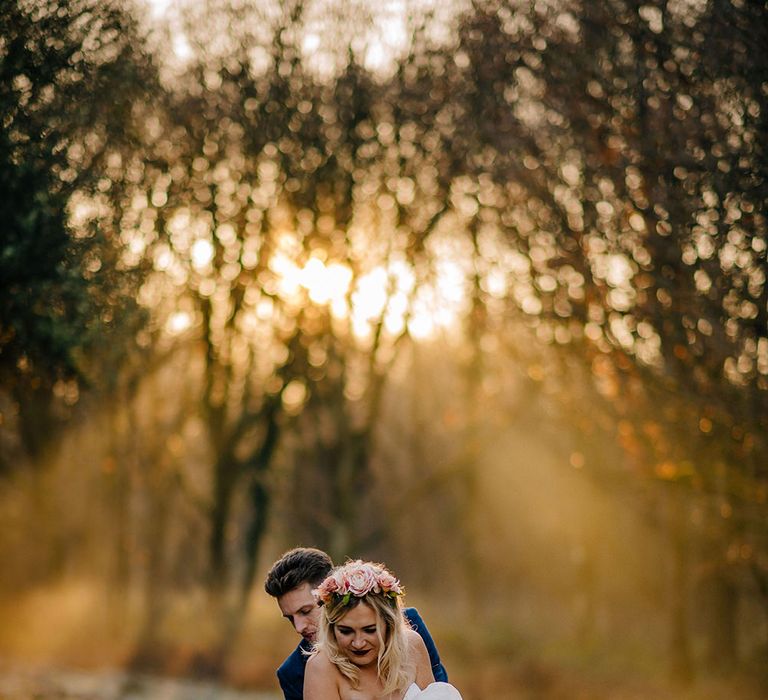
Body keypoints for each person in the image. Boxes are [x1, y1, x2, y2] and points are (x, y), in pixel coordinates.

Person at [264, 548, 448, 700]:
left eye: (305, 611)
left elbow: (438, 689)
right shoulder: (297, 672)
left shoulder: (410, 632)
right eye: (290, 618)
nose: (299, 627)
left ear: (327, 600)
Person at [304, 560, 462, 700]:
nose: (358, 643)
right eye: (346, 631)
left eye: (370, 630)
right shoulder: (322, 667)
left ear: (389, 624)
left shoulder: (412, 645)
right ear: (331, 628)